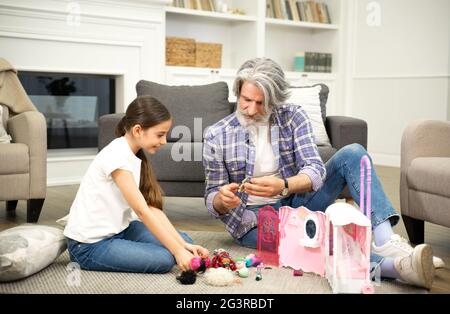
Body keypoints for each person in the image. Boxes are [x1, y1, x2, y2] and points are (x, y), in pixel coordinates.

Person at [203, 57, 443, 289]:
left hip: (296, 201)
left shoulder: (293, 117)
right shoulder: (217, 135)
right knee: (312, 245)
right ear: (238, 92)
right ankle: (399, 268)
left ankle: (384, 240)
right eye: (246, 100)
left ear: (275, 101)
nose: (252, 109)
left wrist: (283, 186)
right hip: (255, 220)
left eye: (261, 102)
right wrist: (222, 200)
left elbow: (315, 170)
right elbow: (212, 197)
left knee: (353, 154)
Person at [64, 96, 209, 274]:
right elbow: (142, 211)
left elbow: (151, 207)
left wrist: (183, 246)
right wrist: (177, 252)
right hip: (89, 245)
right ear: (138, 130)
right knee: (165, 259)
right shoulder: (116, 155)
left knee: (183, 239)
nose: (164, 142)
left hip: (122, 229)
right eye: (160, 134)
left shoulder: (135, 154)